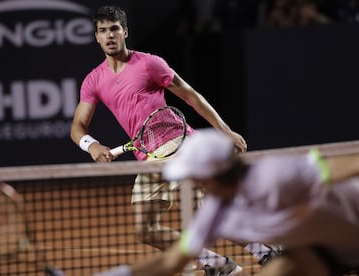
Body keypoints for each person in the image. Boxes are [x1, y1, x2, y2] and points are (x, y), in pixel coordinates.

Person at [69, 5, 277, 276]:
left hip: (180, 147)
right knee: (144, 229)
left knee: (210, 216)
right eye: (102, 31)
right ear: (96, 37)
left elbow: (191, 95)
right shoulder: (93, 80)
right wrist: (92, 145)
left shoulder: (149, 64)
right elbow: (77, 127)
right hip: (148, 158)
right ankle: (217, 264)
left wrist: (224, 130)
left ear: (125, 32)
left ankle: (265, 252)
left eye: (114, 29)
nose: (109, 36)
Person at [93, 128, 359, 276]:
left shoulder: (276, 175)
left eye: (194, 175)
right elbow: (169, 262)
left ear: (211, 175)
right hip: (322, 249)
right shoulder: (215, 212)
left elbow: (346, 165)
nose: (191, 182)